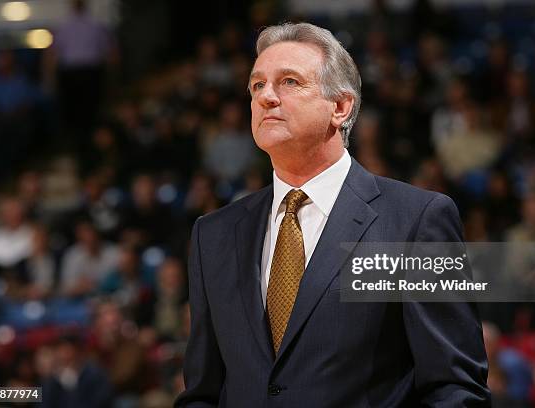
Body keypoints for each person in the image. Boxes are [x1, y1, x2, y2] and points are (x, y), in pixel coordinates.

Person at [175, 22, 490, 407]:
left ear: (340, 107)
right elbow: (202, 393)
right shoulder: (213, 234)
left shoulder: (416, 220)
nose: (266, 97)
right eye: (257, 85)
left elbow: (455, 390)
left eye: (288, 82)